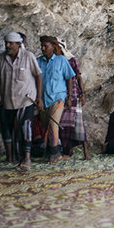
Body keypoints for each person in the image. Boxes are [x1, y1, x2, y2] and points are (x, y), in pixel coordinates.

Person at [0, 32, 42, 170]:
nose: (7, 46)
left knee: (26, 129)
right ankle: (16, 157)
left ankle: (27, 159)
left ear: (18, 44)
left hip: (25, 100)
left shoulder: (28, 57)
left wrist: (39, 98)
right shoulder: (1, 59)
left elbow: (38, 76)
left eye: (11, 43)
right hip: (8, 102)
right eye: (6, 43)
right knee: (13, 130)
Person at [37, 36, 76, 164]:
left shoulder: (61, 60)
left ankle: (53, 154)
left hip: (58, 98)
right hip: (43, 99)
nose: (43, 48)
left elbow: (69, 77)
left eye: (45, 46)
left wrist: (69, 96)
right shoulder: (38, 61)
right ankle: (56, 152)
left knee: (53, 125)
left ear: (53, 47)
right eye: (41, 46)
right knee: (46, 126)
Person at [58, 39, 90, 160]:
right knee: (63, 124)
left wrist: (82, 93)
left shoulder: (71, 60)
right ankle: (67, 150)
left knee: (78, 123)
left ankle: (86, 151)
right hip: (61, 96)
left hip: (74, 95)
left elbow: (79, 78)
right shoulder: (56, 61)